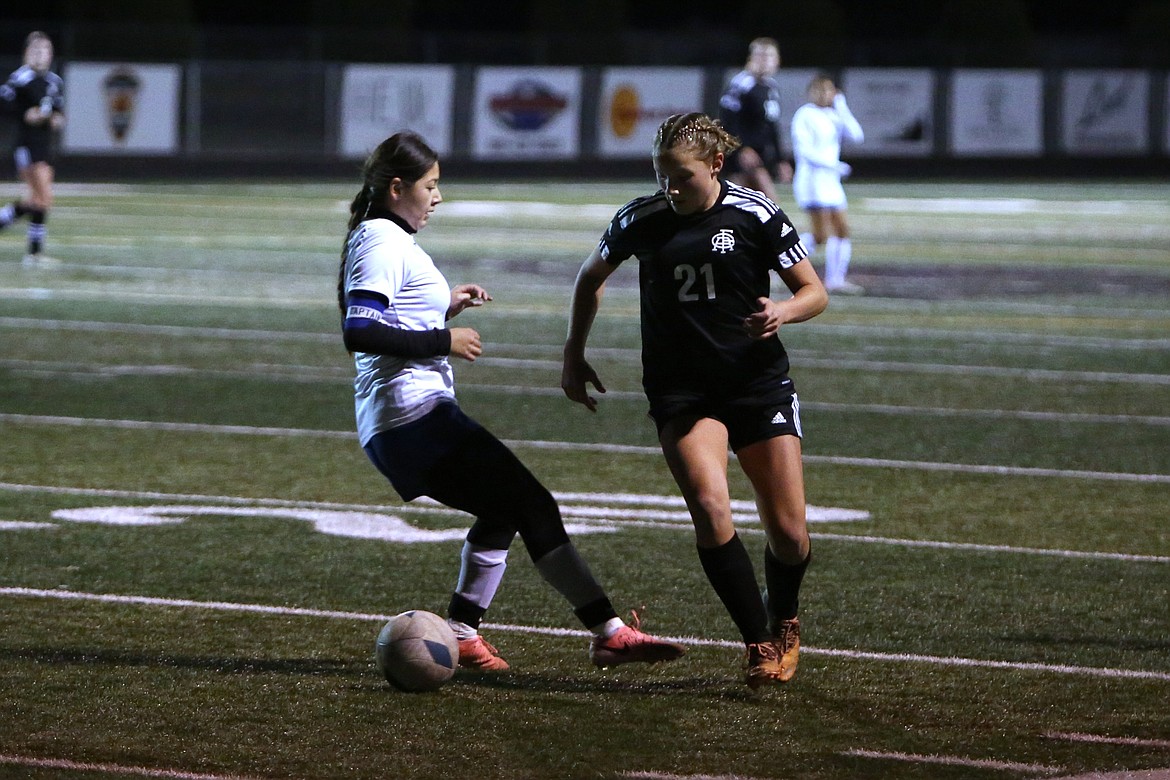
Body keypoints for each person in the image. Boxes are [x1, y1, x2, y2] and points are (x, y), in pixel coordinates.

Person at [338, 131, 686, 675]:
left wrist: (444, 308)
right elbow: (360, 330)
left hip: (411, 418)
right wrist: (443, 341)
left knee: (504, 508)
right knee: (534, 505)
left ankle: (463, 631)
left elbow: (392, 319)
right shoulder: (381, 240)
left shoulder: (388, 237)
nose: (438, 197)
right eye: (430, 186)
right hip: (410, 420)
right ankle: (609, 633)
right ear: (397, 186)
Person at [561, 113, 828, 688]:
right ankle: (757, 640)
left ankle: (784, 618)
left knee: (789, 534)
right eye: (660, 174)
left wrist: (782, 310)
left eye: (680, 175)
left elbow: (814, 291)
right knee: (710, 509)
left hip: (756, 382)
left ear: (714, 164)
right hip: (682, 388)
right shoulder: (641, 218)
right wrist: (573, 352)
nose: (669, 187)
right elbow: (590, 277)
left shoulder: (754, 212)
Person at [790, 73, 865, 295]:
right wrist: (834, 165)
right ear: (810, 93)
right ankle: (779, 261)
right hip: (812, 181)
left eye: (828, 90)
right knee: (820, 235)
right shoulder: (804, 115)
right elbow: (804, 151)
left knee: (842, 230)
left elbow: (857, 135)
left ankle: (835, 279)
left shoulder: (834, 114)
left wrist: (842, 107)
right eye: (819, 90)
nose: (824, 94)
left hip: (830, 183)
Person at [0, 31, 65, 268]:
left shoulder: (54, 81)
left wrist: (56, 119)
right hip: (26, 145)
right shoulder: (19, 78)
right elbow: (5, 104)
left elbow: (58, 112)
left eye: (44, 50)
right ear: (26, 54)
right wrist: (24, 114)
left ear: (51, 54)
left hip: (45, 145)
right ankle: (34, 255)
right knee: (44, 197)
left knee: (37, 200)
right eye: (35, 51)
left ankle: (6, 222)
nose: (40, 55)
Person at [718, 37, 792, 205]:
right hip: (740, 155)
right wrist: (741, 148)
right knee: (767, 204)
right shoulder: (741, 84)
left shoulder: (770, 87)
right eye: (760, 56)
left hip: (760, 153)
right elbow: (727, 120)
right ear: (751, 58)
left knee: (748, 207)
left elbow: (771, 125)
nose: (765, 61)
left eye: (769, 56)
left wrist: (781, 159)